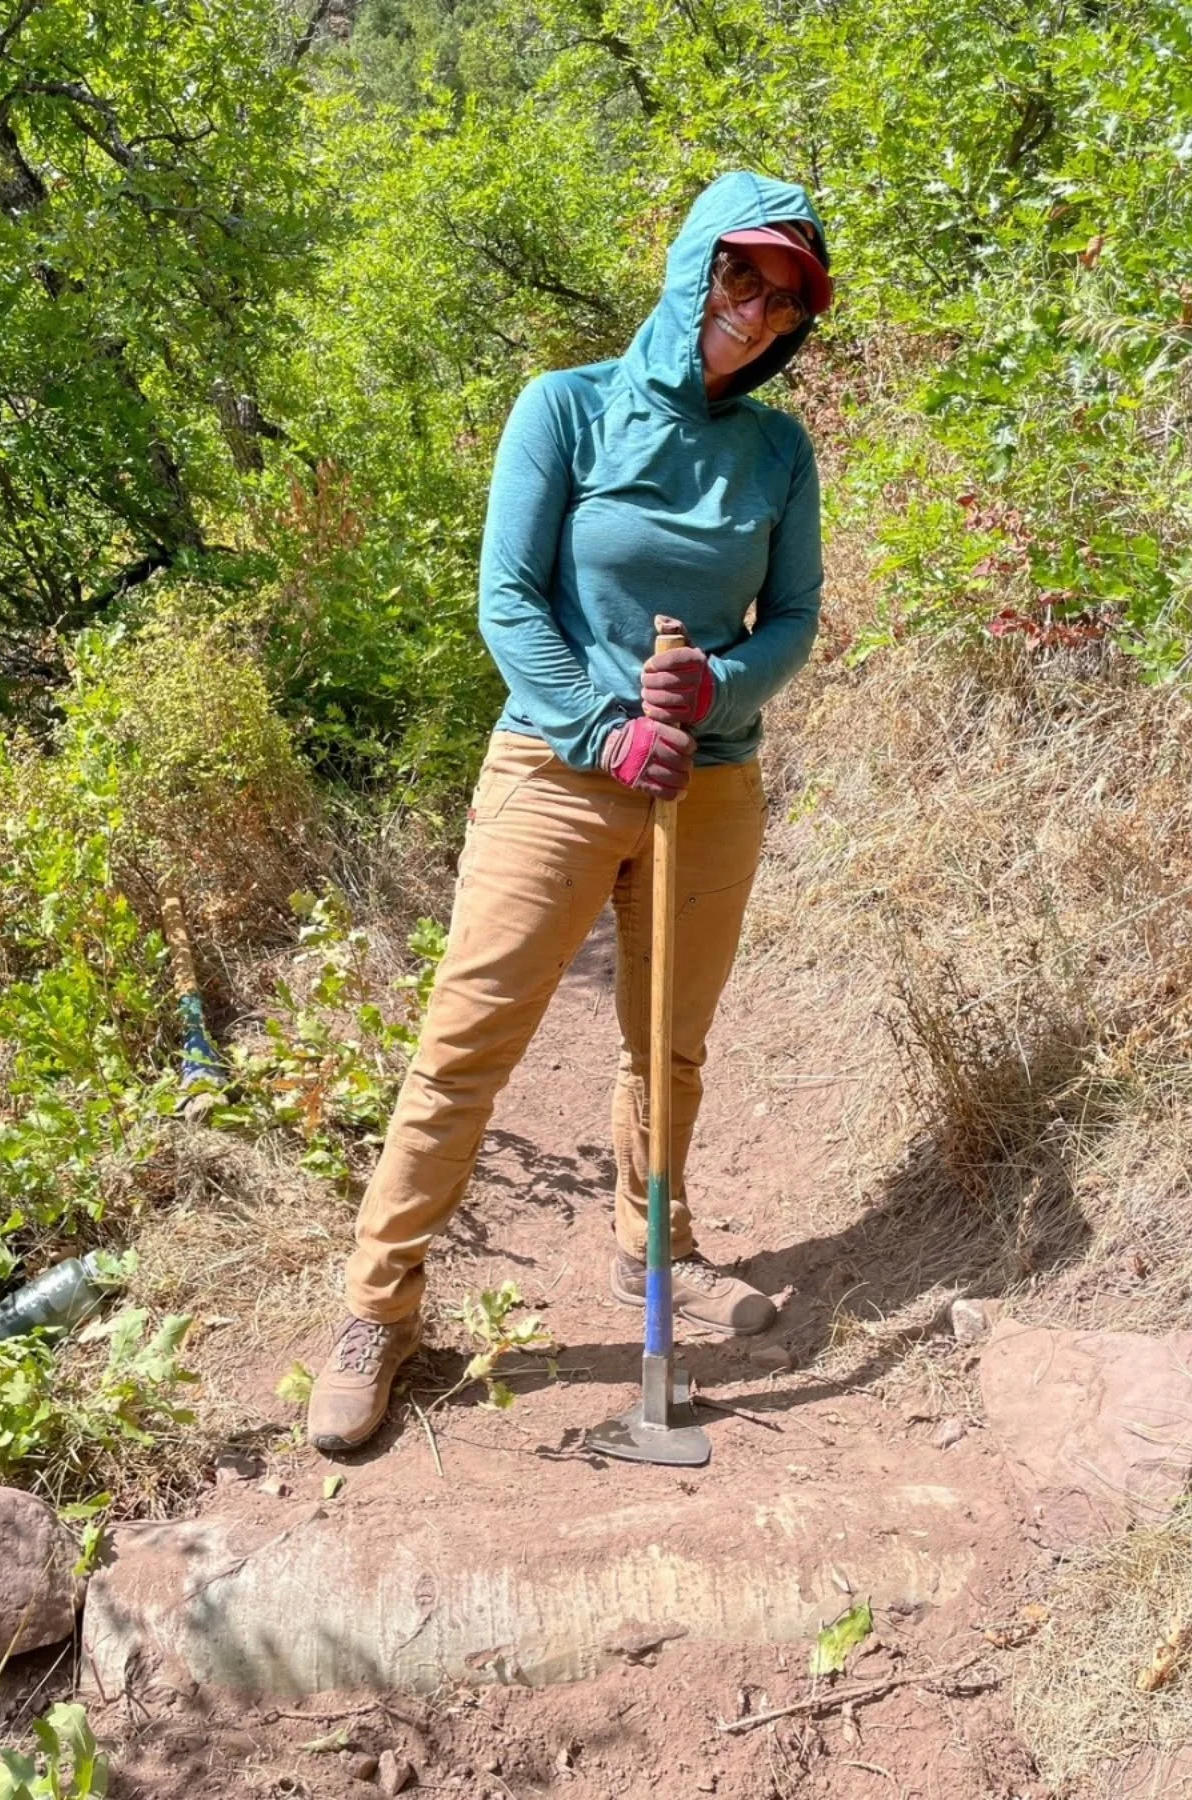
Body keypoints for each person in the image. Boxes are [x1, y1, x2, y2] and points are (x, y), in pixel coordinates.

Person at [305, 170, 832, 1453]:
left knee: (670, 1047)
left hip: (709, 784)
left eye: (786, 297)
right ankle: (378, 1307)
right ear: (694, 264)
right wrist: (606, 727)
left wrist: (713, 684)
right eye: (742, 275)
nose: (758, 310)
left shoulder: (777, 452)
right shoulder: (569, 409)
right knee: (468, 1043)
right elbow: (507, 601)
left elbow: (798, 620)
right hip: (556, 770)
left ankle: (655, 1249)